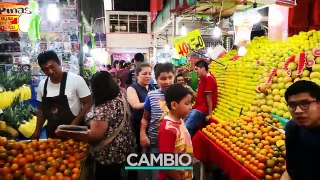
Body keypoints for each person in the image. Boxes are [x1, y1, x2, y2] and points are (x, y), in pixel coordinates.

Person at [56, 71, 135, 179]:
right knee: (115, 174)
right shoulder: (118, 96)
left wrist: (67, 133)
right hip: (122, 146)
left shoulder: (102, 109)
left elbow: (94, 136)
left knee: (107, 176)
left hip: (108, 154)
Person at [31, 50, 92, 139]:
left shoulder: (76, 80)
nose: (50, 71)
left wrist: (73, 126)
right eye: (45, 69)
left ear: (59, 63)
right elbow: (41, 110)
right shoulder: (42, 85)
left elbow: (88, 103)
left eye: (52, 67)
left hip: (74, 133)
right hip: (52, 135)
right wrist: (37, 131)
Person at [140, 63, 175, 180]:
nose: (167, 81)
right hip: (155, 143)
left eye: (170, 77)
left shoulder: (180, 95)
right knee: (156, 175)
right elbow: (145, 118)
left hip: (175, 144)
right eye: (163, 78)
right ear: (156, 80)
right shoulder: (151, 95)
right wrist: (142, 134)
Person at [281, 80, 320, 180]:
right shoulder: (292, 128)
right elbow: (291, 170)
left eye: (305, 103)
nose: (298, 111)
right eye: (292, 105)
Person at [158, 84, 193, 180]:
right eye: (187, 103)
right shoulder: (168, 129)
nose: (191, 107)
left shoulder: (180, 120)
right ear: (174, 105)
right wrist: (177, 176)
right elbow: (165, 162)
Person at [184, 60, 217, 137]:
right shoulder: (202, 78)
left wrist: (209, 114)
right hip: (197, 107)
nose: (195, 71)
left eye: (196, 69)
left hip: (202, 109)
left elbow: (209, 97)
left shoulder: (209, 78)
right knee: (183, 123)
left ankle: (186, 146)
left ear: (203, 68)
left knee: (187, 127)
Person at [127, 63, 154, 153]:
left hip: (151, 125)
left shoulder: (152, 87)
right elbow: (135, 105)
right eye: (144, 74)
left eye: (149, 74)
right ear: (137, 75)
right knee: (140, 151)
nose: (148, 76)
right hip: (138, 125)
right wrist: (154, 102)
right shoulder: (132, 88)